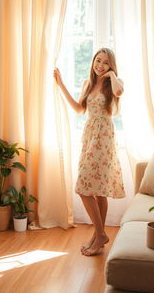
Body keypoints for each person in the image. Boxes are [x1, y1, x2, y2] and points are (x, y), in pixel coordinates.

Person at [54, 47, 125, 256]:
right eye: (98, 60)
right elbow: (79, 108)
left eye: (105, 63)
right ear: (93, 61)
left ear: (111, 66)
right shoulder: (88, 83)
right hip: (89, 136)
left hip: (103, 139)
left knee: (85, 189)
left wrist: (112, 75)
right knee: (96, 191)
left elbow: (120, 92)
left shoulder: (111, 83)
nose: (100, 65)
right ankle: (98, 236)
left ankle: (100, 235)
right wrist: (61, 85)